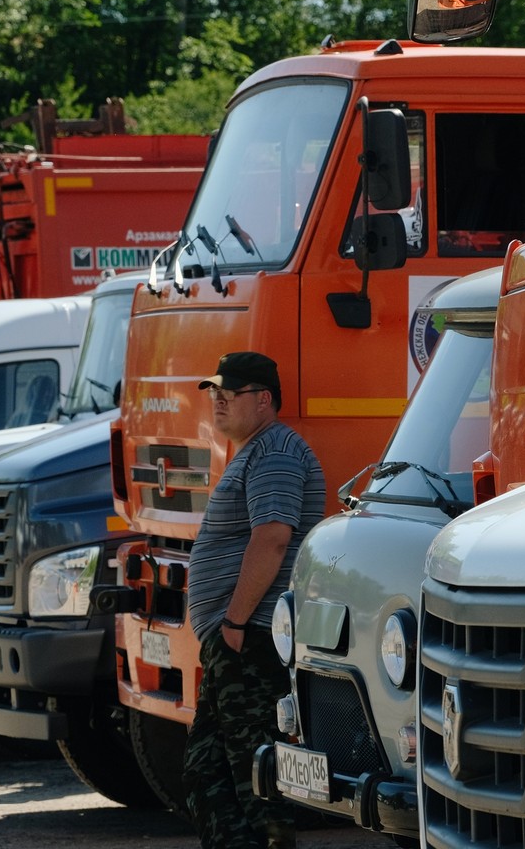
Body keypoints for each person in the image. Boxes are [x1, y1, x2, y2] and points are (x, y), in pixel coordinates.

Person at [182, 352, 326, 849]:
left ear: (264, 399)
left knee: (257, 780)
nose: (217, 400)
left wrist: (236, 621)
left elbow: (272, 539)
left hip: (254, 637)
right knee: (207, 771)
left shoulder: (276, 452)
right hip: (237, 637)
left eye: (231, 391)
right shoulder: (255, 452)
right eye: (214, 391)